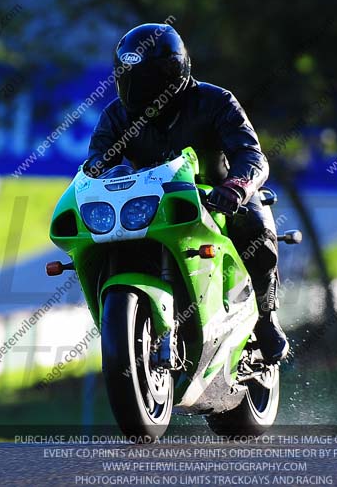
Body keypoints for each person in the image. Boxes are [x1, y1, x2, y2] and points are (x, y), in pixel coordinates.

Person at [83, 23, 288, 363]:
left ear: (171, 74)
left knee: (257, 230)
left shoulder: (216, 101)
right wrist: (94, 174)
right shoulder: (116, 115)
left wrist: (237, 186)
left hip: (217, 197)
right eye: (128, 78)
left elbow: (250, 154)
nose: (136, 89)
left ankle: (266, 318)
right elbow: (97, 159)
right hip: (151, 205)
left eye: (145, 80)